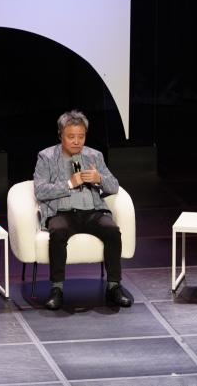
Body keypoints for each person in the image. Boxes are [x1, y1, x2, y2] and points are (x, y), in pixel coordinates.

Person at [34, 110, 132, 309]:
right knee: (58, 230)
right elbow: (40, 190)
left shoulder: (94, 156)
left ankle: (114, 286)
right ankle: (57, 288)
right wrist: (69, 184)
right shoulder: (46, 157)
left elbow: (114, 185)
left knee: (113, 230)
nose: (76, 142)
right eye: (71, 137)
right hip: (62, 212)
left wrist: (99, 179)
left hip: (92, 212)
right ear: (60, 134)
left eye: (81, 136)